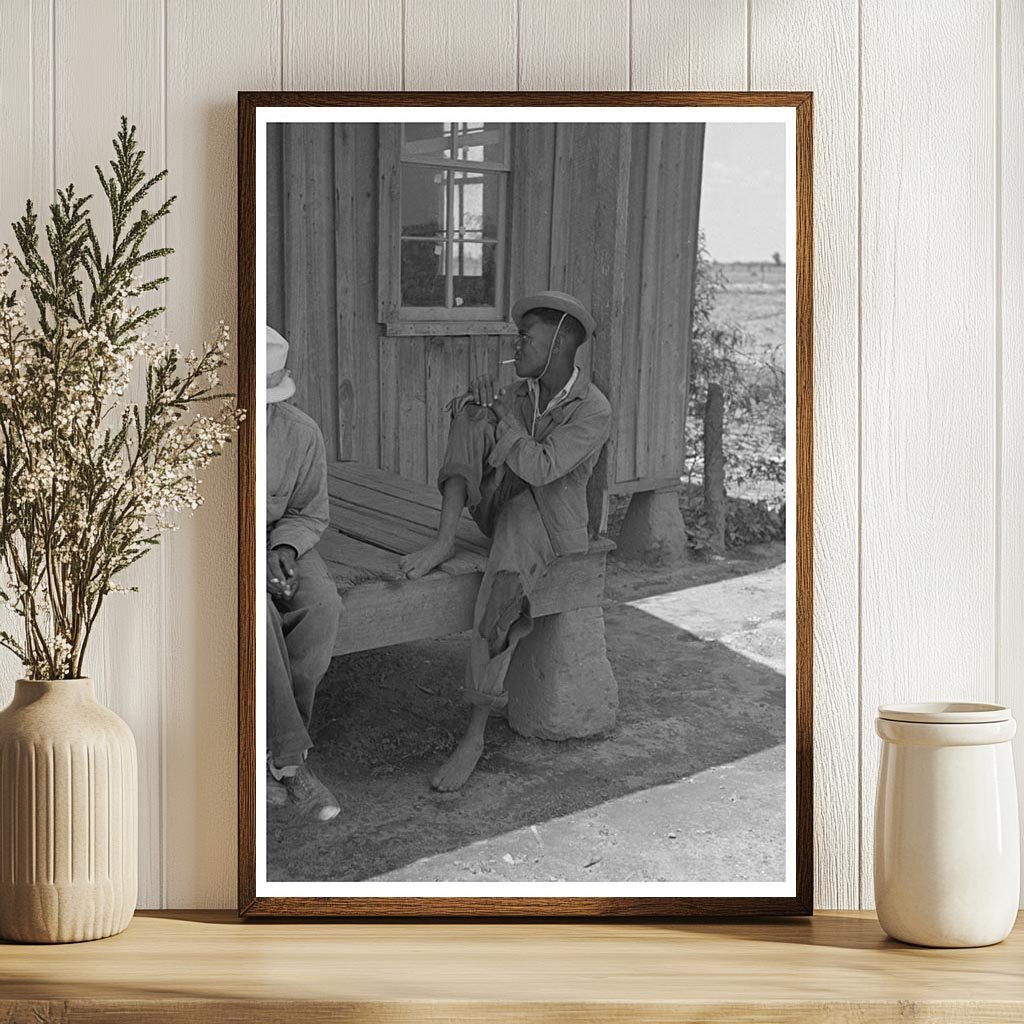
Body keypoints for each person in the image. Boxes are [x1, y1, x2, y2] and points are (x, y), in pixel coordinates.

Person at [400, 291, 612, 792]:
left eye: (525, 339)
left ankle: (474, 735)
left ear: (559, 343)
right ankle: (444, 540)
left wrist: (506, 420)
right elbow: (493, 440)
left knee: (502, 591)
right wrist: (481, 409)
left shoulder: (592, 410)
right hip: (500, 508)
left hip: (547, 526)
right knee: (471, 414)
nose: (516, 347)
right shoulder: (521, 391)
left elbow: (541, 468)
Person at [265, 325, 344, 821]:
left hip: (279, 539)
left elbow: (311, 512)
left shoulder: (301, 432)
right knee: (260, 615)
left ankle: (269, 748)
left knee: (322, 604)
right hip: (223, 544)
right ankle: (291, 762)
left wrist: (284, 548)